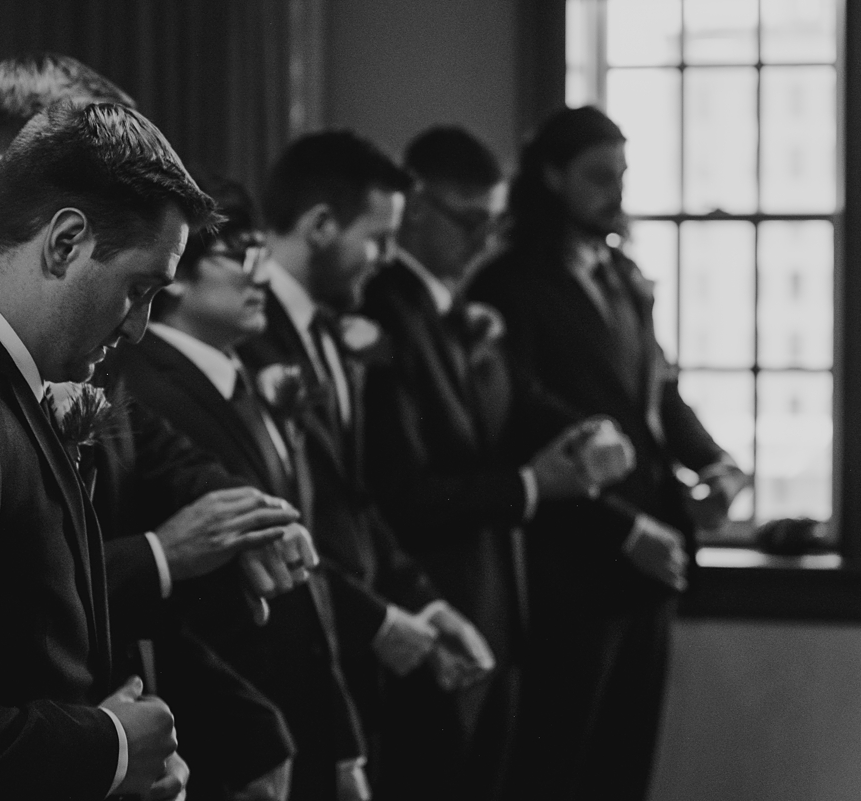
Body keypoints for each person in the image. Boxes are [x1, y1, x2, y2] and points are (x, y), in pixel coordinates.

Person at [0, 54, 305, 795]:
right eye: (139, 290)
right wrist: (105, 748)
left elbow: (18, 642)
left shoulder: (0, 366)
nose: (140, 328)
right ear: (64, 242)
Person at [468, 105, 750, 801]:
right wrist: (625, 530)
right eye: (599, 176)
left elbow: (658, 394)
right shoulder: (509, 284)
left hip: (652, 565)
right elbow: (519, 427)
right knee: (557, 769)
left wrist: (716, 464)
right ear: (552, 176)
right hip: (571, 564)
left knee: (626, 768)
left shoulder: (623, 276)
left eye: (622, 175)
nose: (616, 191)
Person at [361, 125, 636, 801]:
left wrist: (583, 432)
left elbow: (517, 406)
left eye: (493, 220)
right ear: (415, 207)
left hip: (498, 610)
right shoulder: (384, 312)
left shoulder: (458, 309)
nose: (485, 240)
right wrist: (531, 486)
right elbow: (402, 494)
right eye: (469, 220)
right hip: (437, 607)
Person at [239, 130, 496, 787]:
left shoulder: (331, 332)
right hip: (291, 659)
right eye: (378, 239)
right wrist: (377, 621)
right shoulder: (247, 335)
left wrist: (425, 604)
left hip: (352, 657)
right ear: (321, 226)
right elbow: (278, 518)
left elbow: (354, 500)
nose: (385, 259)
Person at [115, 176, 382, 801]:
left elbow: (303, 571)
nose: (262, 275)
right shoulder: (138, 386)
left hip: (297, 715)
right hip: (221, 736)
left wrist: (340, 739)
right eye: (242, 255)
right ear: (177, 273)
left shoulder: (252, 376)